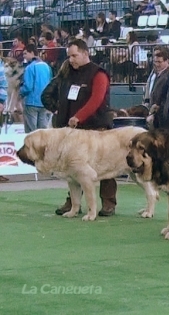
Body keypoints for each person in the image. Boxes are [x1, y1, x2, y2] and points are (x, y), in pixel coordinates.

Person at [44, 39, 116, 217]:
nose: (71, 59)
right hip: (73, 131)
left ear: (85, 54)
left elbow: (96, 100)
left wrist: (79, 116)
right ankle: (74, 202)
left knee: (106, 167)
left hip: (96, 128)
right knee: (74, 169)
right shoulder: (68, 73)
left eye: (74, 55)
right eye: (69, 56)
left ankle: (108, 203)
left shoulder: (99, 74)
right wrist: (58, 112)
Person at [20, 44, 52, 132]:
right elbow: (50, 83)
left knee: (31, 133)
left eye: (25, 54)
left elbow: (28, 87)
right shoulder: (47, 66)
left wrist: (20, 92)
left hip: (31, 103)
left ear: (32, 53)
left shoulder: (29, 68)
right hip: (44, 103)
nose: (24, 56)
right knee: (42, 133)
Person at [145, 46, 169, 128]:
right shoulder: (153, 73)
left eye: (159, 62)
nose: (157, 64)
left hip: (162, 116)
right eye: (155, 62)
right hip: (152, 114)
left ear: (167, 61)